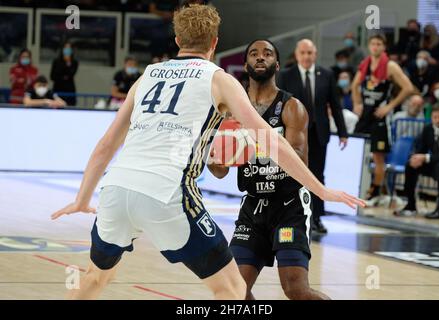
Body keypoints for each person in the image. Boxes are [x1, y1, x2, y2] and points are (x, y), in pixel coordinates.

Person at [51, 5, 364, 300]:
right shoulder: (219, 79)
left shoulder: (145, 77)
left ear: (177, 40)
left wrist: (82, 199)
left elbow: (106, 145)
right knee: (232, 288)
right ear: (214, 42)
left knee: (94, 278)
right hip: (166, 191)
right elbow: (270, 140)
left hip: (116, 189)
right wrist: (321, 189)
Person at [208, 39, 329, 300]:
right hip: (253, 207)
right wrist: (214, 158)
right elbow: (220, 171)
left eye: (267, 54)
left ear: (276, 64)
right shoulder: (229, 111)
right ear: (245, 64)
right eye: (254, 53)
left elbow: (299, 161)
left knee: (295, 289)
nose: (260, 58)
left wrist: (251, 140)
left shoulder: (291, 107)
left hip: (289, 206)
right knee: (235, 290)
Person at [278, 39, 348, 234]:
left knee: (318, 176)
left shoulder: (326, 75)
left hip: (318, 134)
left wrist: (343, 132)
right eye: (303, 53)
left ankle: (316, 218)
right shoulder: (285, 75)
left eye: (310, 53)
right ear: (297, 54)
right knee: (292, 174)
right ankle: (291, 216)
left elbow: (335, 105)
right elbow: (279, 104)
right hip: (293, 136)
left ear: (315, 54)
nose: (307, 56)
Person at [352, 34, 414, 206]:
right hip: (365, 116)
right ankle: (356, 187)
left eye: (379, 44)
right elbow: (355, 85)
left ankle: (375, 192)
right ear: (369, 46)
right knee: (357, 152)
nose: (375, 47)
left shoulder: (390, 66)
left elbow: (408, 88)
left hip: (381, 117)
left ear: (384, 47)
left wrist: (390, 106)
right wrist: (357, 103)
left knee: (378, 158)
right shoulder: (365, 64)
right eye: (373, 43)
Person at [395, 104, 439, 221]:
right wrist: (414, 157)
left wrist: (425, 157)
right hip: (433, 163)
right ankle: (411, 205)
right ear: (431, 118)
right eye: (435, 117)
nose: (438, 120)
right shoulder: (428, 129)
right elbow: (418, 146)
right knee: (410, 166)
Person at [50, 41, 79, 106]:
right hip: (58, 89)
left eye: (69, 48)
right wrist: (63, 77)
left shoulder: (74, 62)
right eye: (66, 48)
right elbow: (53, 76)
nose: (67, 50)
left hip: (69, 90)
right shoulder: (56, 61)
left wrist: (68, 64)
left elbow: (70, 75)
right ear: (62, 49)